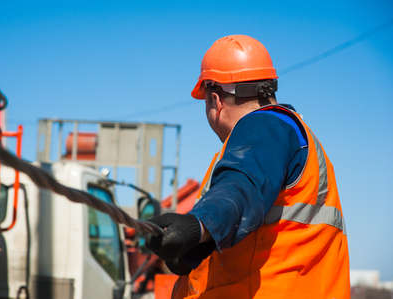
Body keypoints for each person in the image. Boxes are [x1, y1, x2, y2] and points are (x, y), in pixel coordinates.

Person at [146, 35, 350, 299]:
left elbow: (239, 190)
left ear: (215, 100)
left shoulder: (264, 127)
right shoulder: (285, 137)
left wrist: (199, 224)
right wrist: (195, 252)